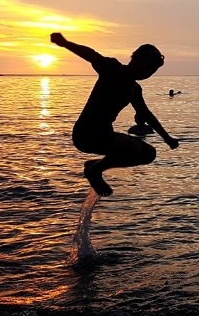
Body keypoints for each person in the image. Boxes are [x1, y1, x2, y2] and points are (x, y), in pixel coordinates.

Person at [50, 32, 179, 196]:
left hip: (104, 135)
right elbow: (91, 55)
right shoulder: (112, 68)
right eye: (147, 66)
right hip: (85, 134)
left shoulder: (135, 89)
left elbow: (146, 114)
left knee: (148, 154)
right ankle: (94, 172)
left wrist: (166, 138)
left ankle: (96, 166)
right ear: (135, 58)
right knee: (131, 147)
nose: (147, 73)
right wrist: (65, 43)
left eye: (152, 71)